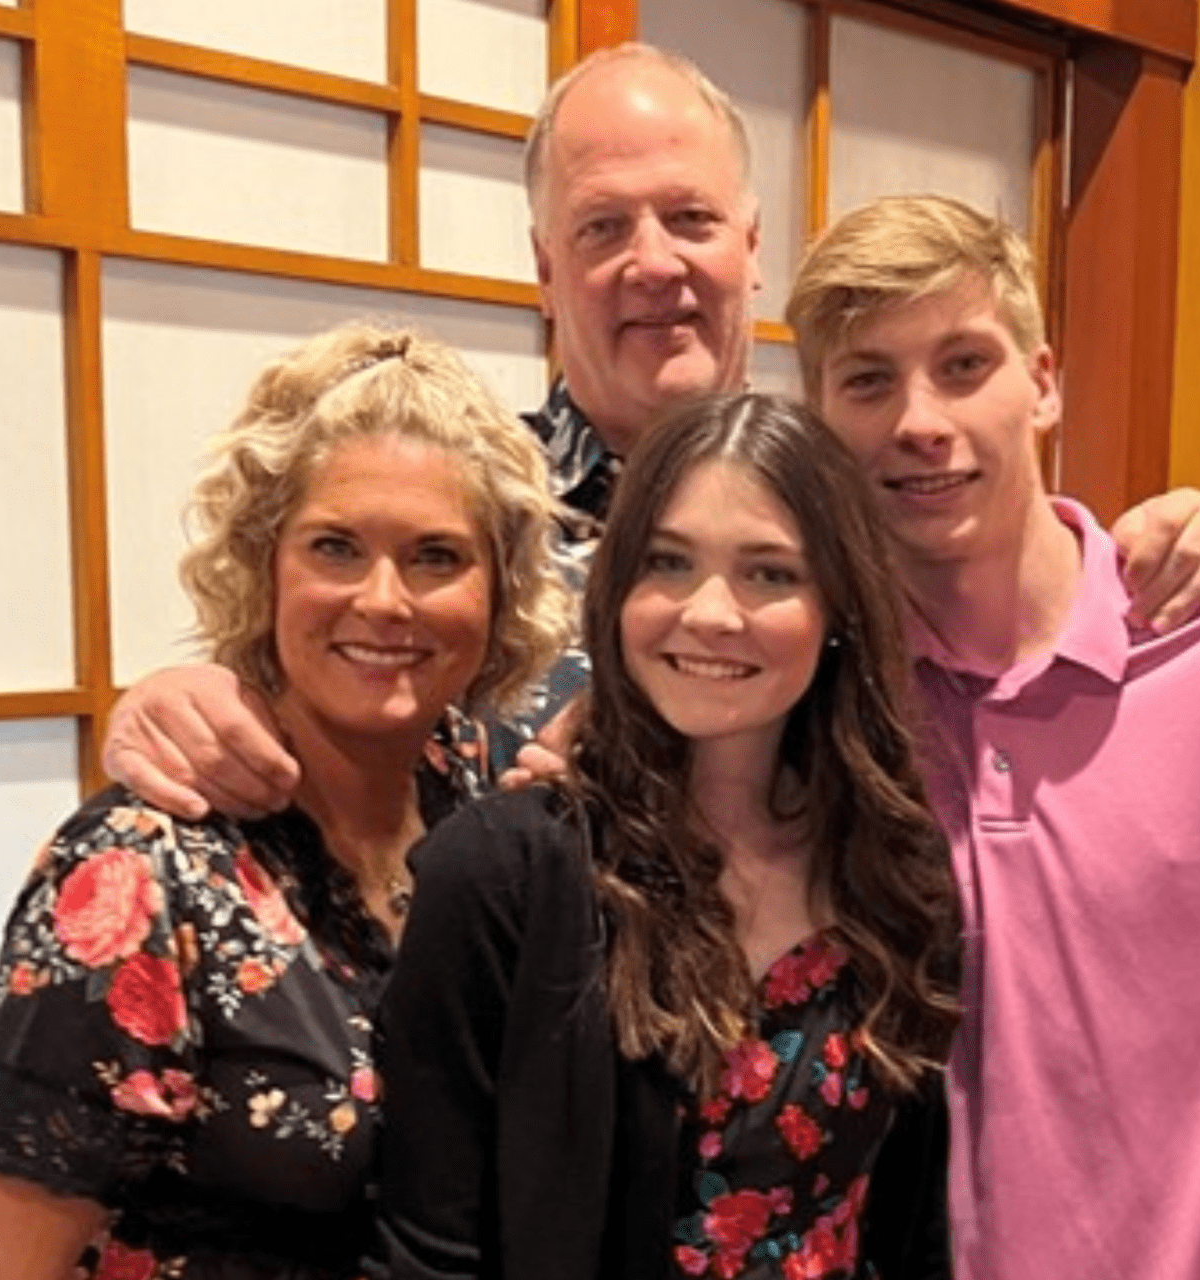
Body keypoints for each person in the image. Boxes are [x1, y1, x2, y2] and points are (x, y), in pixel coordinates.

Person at [99, 43, 1200, 818]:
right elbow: (307, 660)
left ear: (752, 247)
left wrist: (1182, 537)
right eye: (604, 226)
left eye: (690, 217)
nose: (653, 262)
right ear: (546, 271)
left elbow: (1016, 599)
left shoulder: (851, 499)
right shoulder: (455, 516)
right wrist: (186, 694)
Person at [785, 194, 1200, 1280]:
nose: (920, 418)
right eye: (869, 380)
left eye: (964, 363)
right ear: (822, 419)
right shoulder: (825, 699)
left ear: (1043, 381)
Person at [0, 324, 571, 1280]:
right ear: (266, 565)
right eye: (336, 547)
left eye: (437, 556)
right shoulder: (139, 874)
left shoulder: (499, 795)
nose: (385, 601)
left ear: (501, 589)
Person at [375, 393, 960, 1280]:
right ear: (616, 591)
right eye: (669, 562)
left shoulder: (894, 875)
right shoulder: (504, 874)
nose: (711, 613)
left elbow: (910, 1229)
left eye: (770, 573)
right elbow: (426, 1251)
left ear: (837, 606)